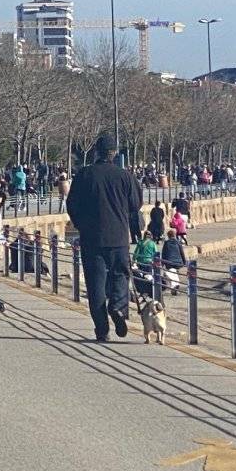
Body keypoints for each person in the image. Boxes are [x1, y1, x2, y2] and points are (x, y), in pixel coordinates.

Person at [66, 133, 142, 342]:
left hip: (92, 238)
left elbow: (71, 204)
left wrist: (82, 225)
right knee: (120, 275)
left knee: (95, 284)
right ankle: (117, 307)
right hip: (118, 237)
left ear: (96, 152)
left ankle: (102, 329)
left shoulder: (85, 175)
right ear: (114, 153)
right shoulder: (125, 176)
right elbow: (136, 205)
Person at [161, 228, 186, 295]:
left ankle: (174, 285)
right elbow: (182, 253)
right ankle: (175, 285)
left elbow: (164, 254)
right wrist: (184, 262)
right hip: (178, 262)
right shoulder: (178, 242)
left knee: (169, 273)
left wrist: (162, 263)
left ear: (168, 236)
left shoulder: (166, 243)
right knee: (173, 272)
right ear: (174, 235)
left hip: (169, 262)